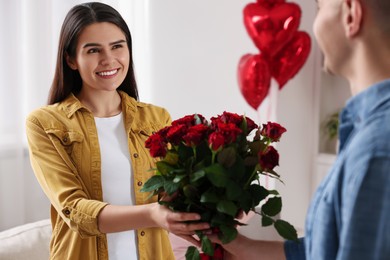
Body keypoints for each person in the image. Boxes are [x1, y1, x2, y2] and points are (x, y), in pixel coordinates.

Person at [25, 2, 209, 260]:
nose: (108, 59)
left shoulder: (157, 118)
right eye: (93, 50)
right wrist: (151, 214)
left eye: (117, 46)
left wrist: (225, 201)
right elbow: (74, 211)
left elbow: (173, 195)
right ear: (71, 59)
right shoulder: (45, 123)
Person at [208, 0, 390, 259]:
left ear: (352, 14)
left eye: (320, 8)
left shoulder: (377, 149)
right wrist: (239, 245)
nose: (315, 26)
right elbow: (323, 250)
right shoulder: (369, 133)